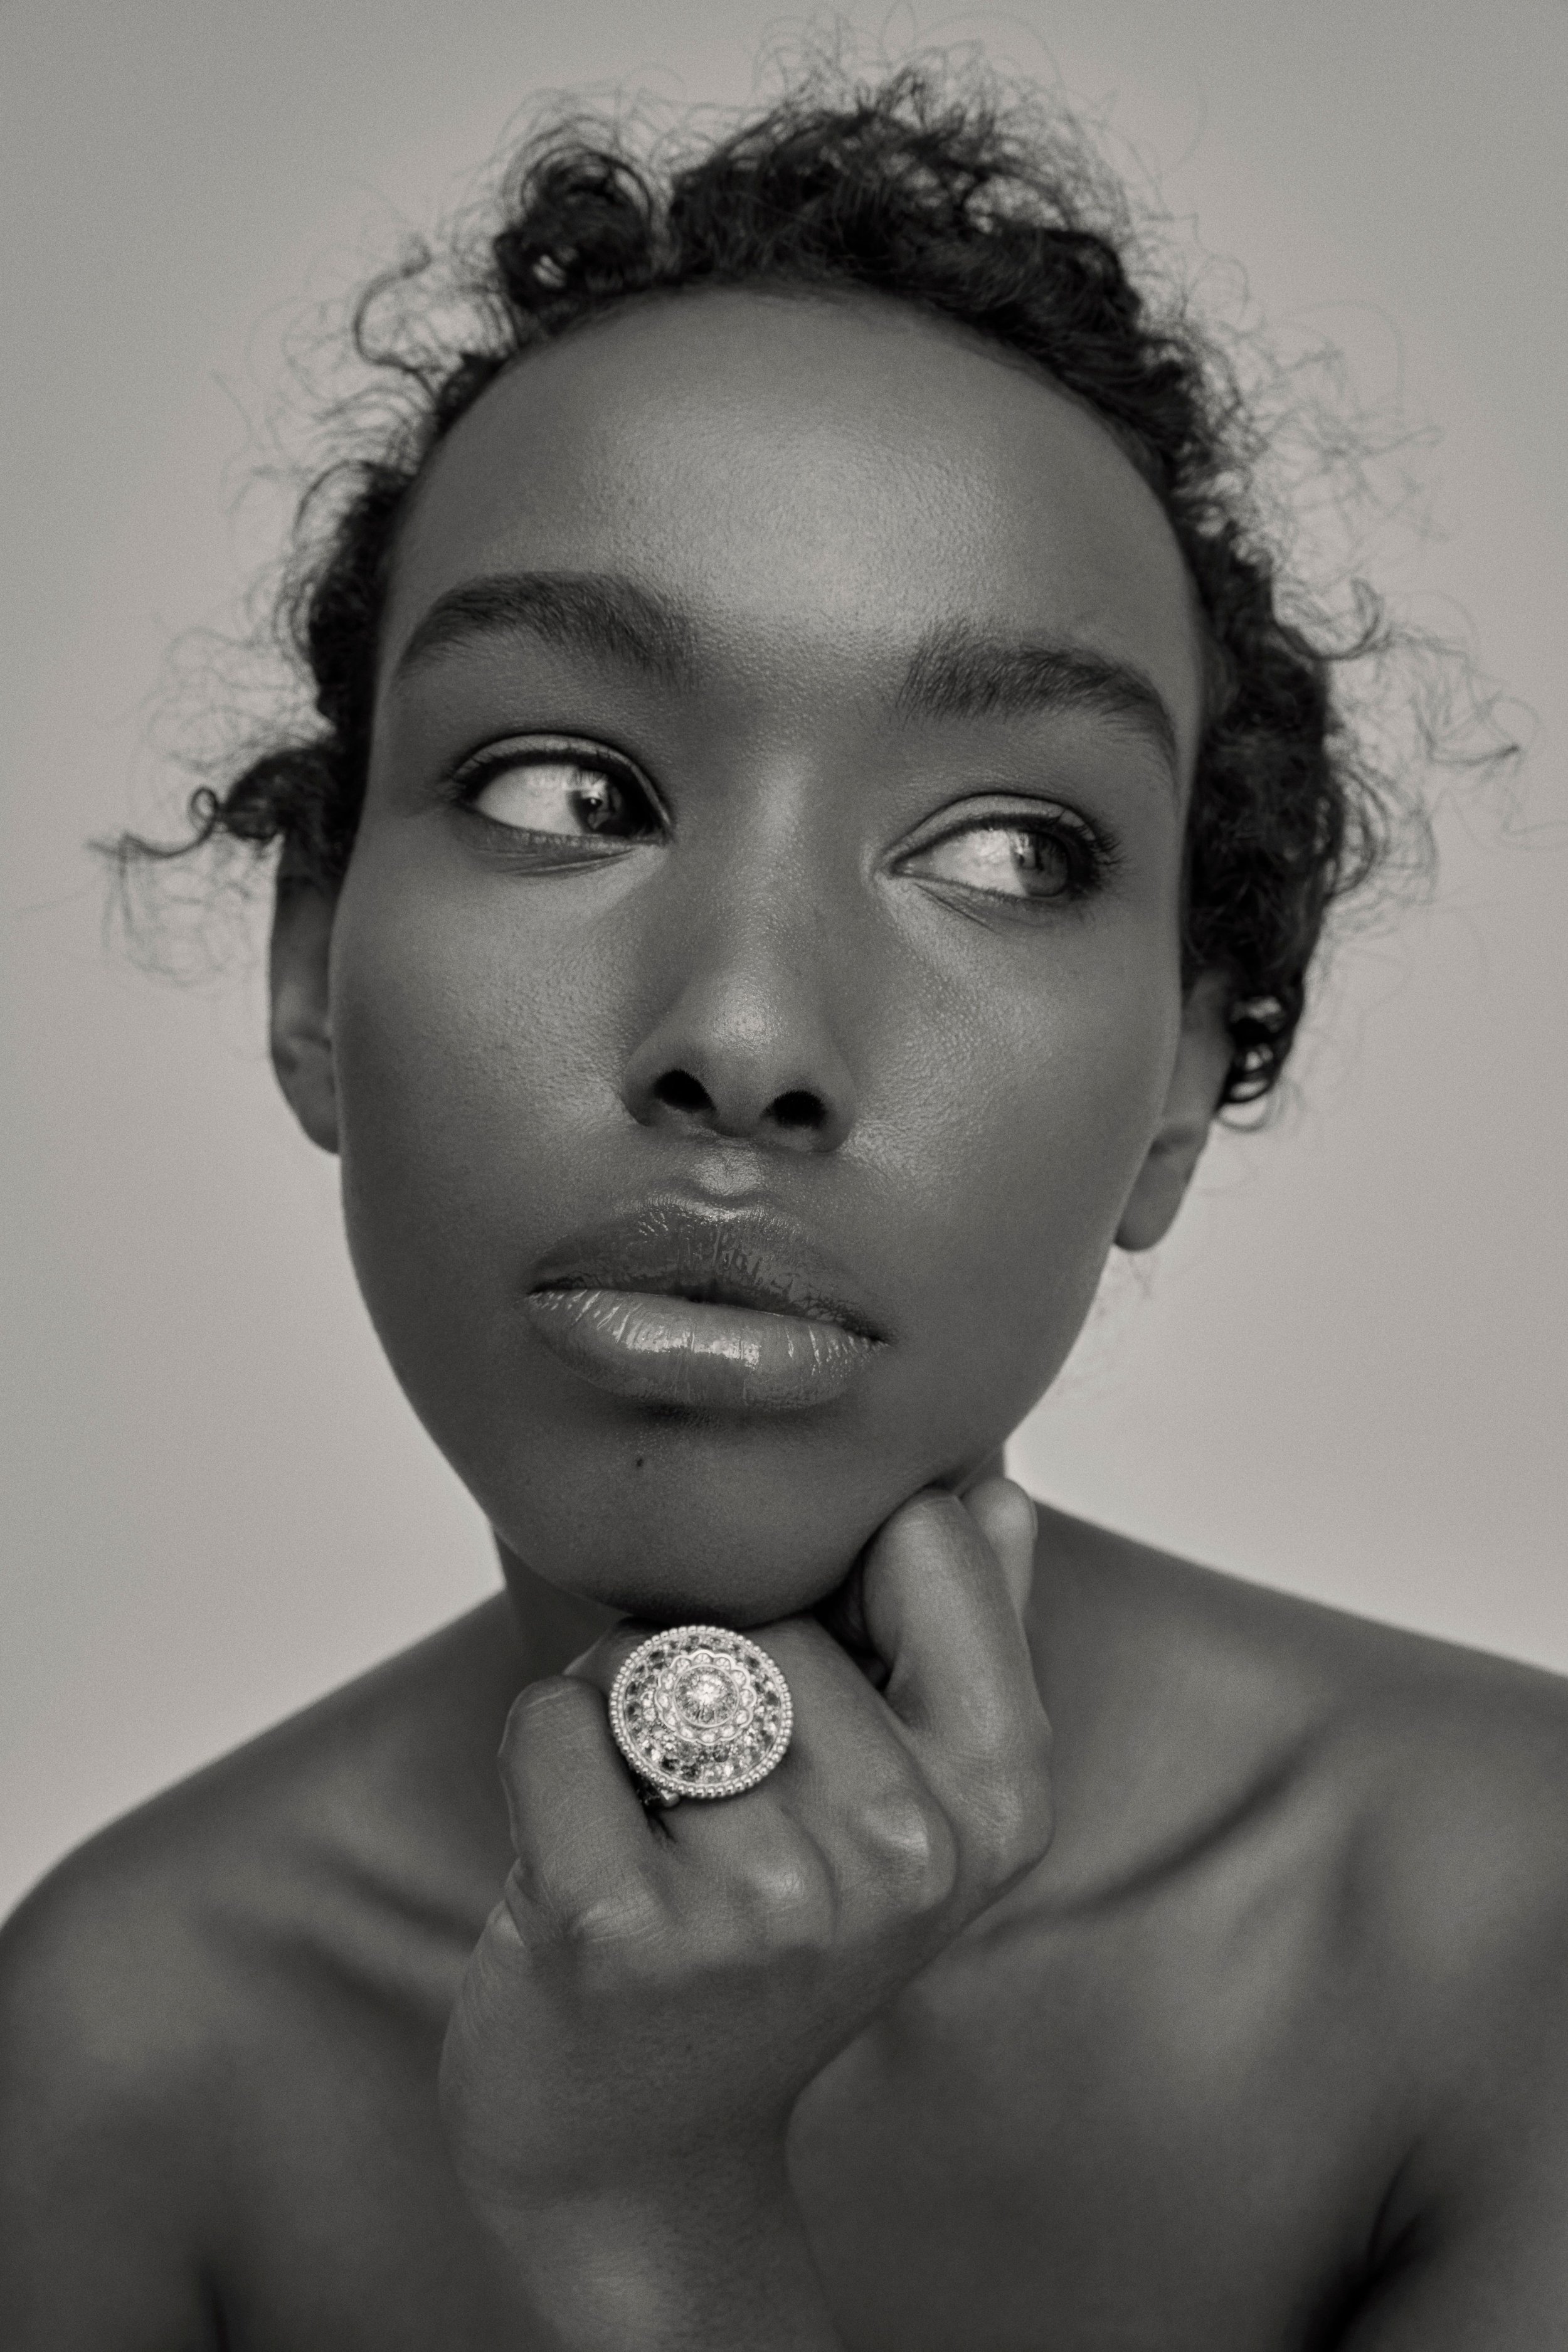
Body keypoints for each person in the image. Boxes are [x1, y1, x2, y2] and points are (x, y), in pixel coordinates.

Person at [1, 61, 1562, 2351]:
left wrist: (649, 2224)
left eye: (1008, 853)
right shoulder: (115, 2056)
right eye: (564, 788)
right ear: (312, 968)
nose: (742, 1030)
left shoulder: (1512, 1934)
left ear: (1178, 1087)